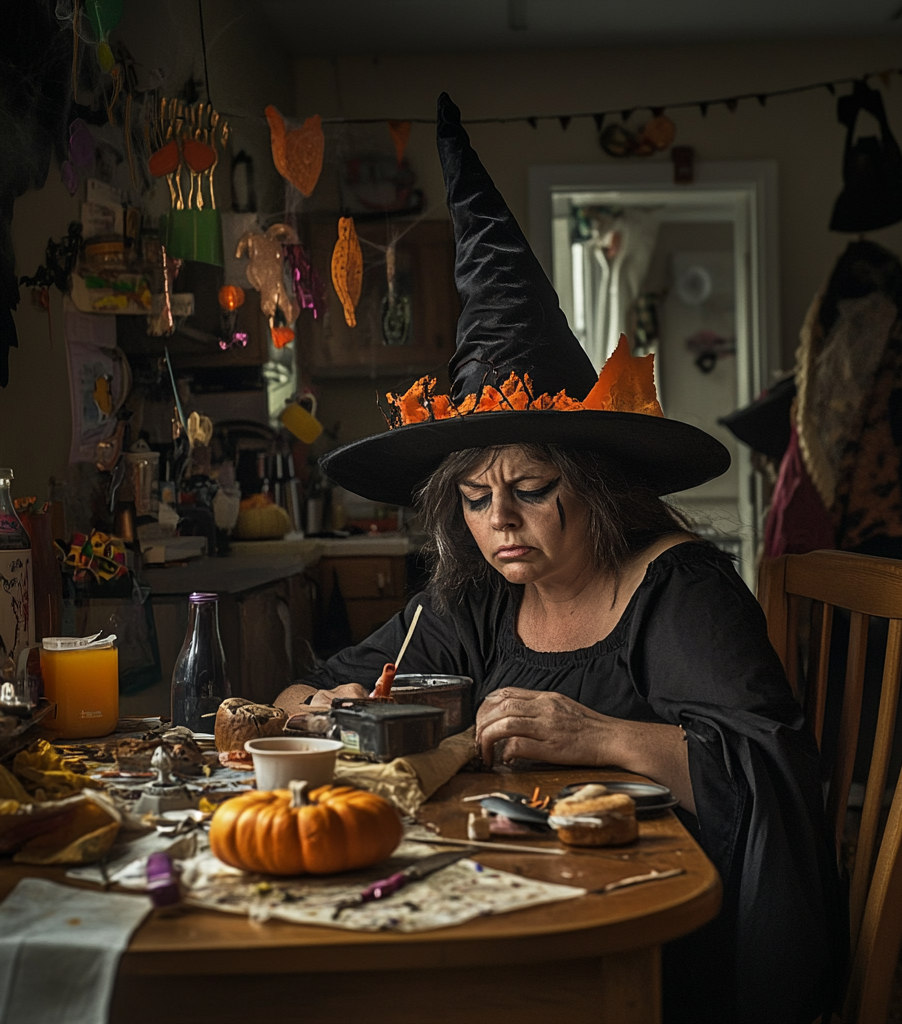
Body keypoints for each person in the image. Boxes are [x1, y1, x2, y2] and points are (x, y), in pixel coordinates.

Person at [276, 93, 843, 1024]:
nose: (498, 522)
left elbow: (774, 783)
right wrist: (330, 706)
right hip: (517, 892)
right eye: (471, 499)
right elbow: (325, 689)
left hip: (667, 942)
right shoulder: (485, 596)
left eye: (531, 489)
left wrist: (598, 736)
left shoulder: (679, 592)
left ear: (600, 485)